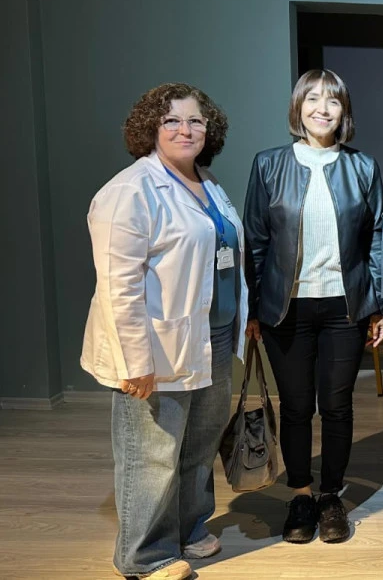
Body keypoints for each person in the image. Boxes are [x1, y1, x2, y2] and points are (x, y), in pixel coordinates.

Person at [82, 83, 246, 580]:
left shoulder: (207, 183)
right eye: (171, 120)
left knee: (199, 444)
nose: (185, 129)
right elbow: (119, 286)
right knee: (152, 454)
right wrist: (134, 363)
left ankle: (190, 528)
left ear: (209, 129)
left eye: (195, 120)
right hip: (156, 347)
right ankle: (145, 556)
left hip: (213, 337)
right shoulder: (129, 191)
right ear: (150, 129)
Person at [243, 69, 383, 544]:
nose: (322, 109)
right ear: (298, 107)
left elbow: (377, 240)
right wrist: (253, 309)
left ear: (344, 111)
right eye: (313, 99)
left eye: (333, 101)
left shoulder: (363, 167)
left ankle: (331, 496)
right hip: (287, 308)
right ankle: (301, 496)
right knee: (297, 407)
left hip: (345, 307)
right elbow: (256, 242)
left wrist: (377, 305)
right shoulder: (269, 165)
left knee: (338, 406)